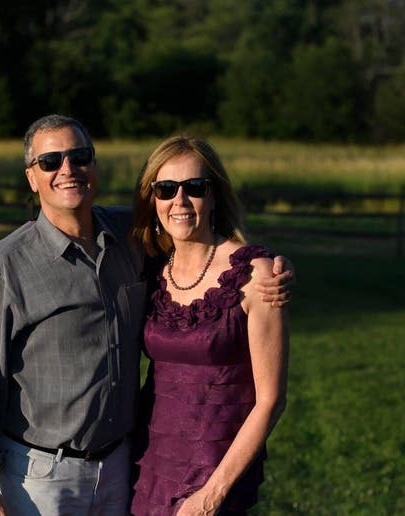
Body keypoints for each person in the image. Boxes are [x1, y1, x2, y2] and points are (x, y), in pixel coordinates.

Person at [0, 115, 292, 515]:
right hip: (43, 475)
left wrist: (271, 267)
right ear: (32, 177)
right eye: (51, 161)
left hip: (123, 465)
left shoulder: (132, 239)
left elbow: (203, 254)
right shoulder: (5, 265)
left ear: (93, 165)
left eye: (79, 156)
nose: (68, 170)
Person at [130, 135, 290, 515]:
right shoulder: (151, 269)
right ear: (152, 199)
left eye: (195, 188)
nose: (179, 201)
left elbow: (271, 400)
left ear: (215, 194)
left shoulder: (257, 276)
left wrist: (211, 495)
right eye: (166, 188)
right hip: (147, 461)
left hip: (216, 468)